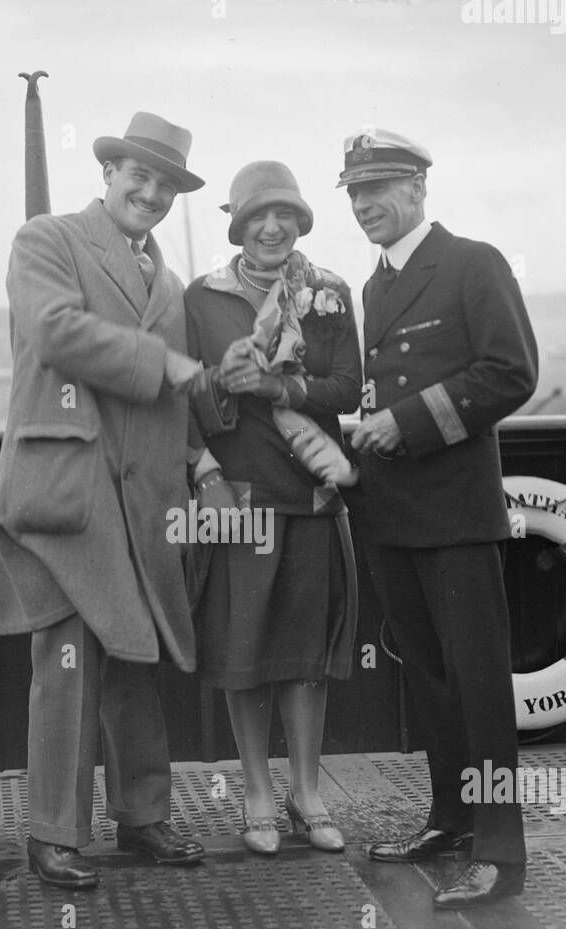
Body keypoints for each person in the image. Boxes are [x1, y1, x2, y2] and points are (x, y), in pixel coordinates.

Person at [0, 112, 209, 889]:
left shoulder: (170, 284)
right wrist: (164, 362)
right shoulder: (45, 240)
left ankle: (144, 818)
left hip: (143, 503)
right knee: (71, 660)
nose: (149, 192)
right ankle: (55, 835)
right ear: (108, 174)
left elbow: (179, 396)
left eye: (166, 184)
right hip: (65, 492)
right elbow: (54, 332)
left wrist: (202, 453)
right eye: (137, 176)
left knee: (134, 658)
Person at [337, 129, 539, 908]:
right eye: (354, 193)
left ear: (419, 188)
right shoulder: (375, 287)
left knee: (481, 686)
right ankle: (450, 819)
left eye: (379, 189)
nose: (364, 206)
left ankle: (500, 851)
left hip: (456, 515)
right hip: (392, 514)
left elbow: (511, 372)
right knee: (428, 680)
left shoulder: (472, 263)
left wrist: (408, 423)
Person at [184, 161, 362, 856]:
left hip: (312, 497)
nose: (272, 226)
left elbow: (347, 388)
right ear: (239, 225)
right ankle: (257, 792)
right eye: (259, 215)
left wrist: (281, 387)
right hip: (240, 499)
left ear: (300, 221)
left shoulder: (329, 293)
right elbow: (185, 395)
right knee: (244, 653)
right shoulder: (201, 300)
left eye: (285, 214)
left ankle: (306, 792)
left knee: (306, 658)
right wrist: (224, 393)